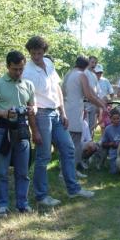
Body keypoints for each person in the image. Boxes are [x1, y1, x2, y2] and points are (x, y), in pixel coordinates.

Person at [23, 36, 95, 206]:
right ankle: (41, 196)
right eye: (33, 53)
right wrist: (34, 129)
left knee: (69, 148)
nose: (36, 56)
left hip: (56, 113)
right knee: (44, 156)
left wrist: (62, 112)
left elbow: (57, 89)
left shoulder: (48, 64)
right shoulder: (27, 71)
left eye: (39, 53)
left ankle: (73, 189)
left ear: (44, 51)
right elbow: (29, 101)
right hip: (40, 114)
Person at [0, 51, 36, 217]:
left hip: (22, 130)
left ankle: (22, 204)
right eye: (15, 69)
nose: (18, 72)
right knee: (1, 171)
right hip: (2, 130)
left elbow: (34, 106)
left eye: (21, 69)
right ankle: (2, 205)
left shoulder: (28, 84)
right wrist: (4, 113)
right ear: (8, 66)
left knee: (23, 171)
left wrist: (32, 110)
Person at [62, 56, 107, 175]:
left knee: (70, 142)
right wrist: (102, 106)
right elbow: (89, 95)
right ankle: (70, 170)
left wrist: (100, 103)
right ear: (86, 66)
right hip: (75, 111)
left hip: (67, 109)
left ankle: (70, 169)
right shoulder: (82, 75)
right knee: (75, 142)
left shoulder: (68, 74)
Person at [84, 56, 101, 136]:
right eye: (92, 62)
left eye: (95, 63)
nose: (93, 64)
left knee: (92, 126)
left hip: (94, 103)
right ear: (88, 62)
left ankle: (90, 144)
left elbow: (97, 91)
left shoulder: (94, 75)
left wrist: (98, 104)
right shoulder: (84, 73)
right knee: (85, 126)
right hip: (86, 102)